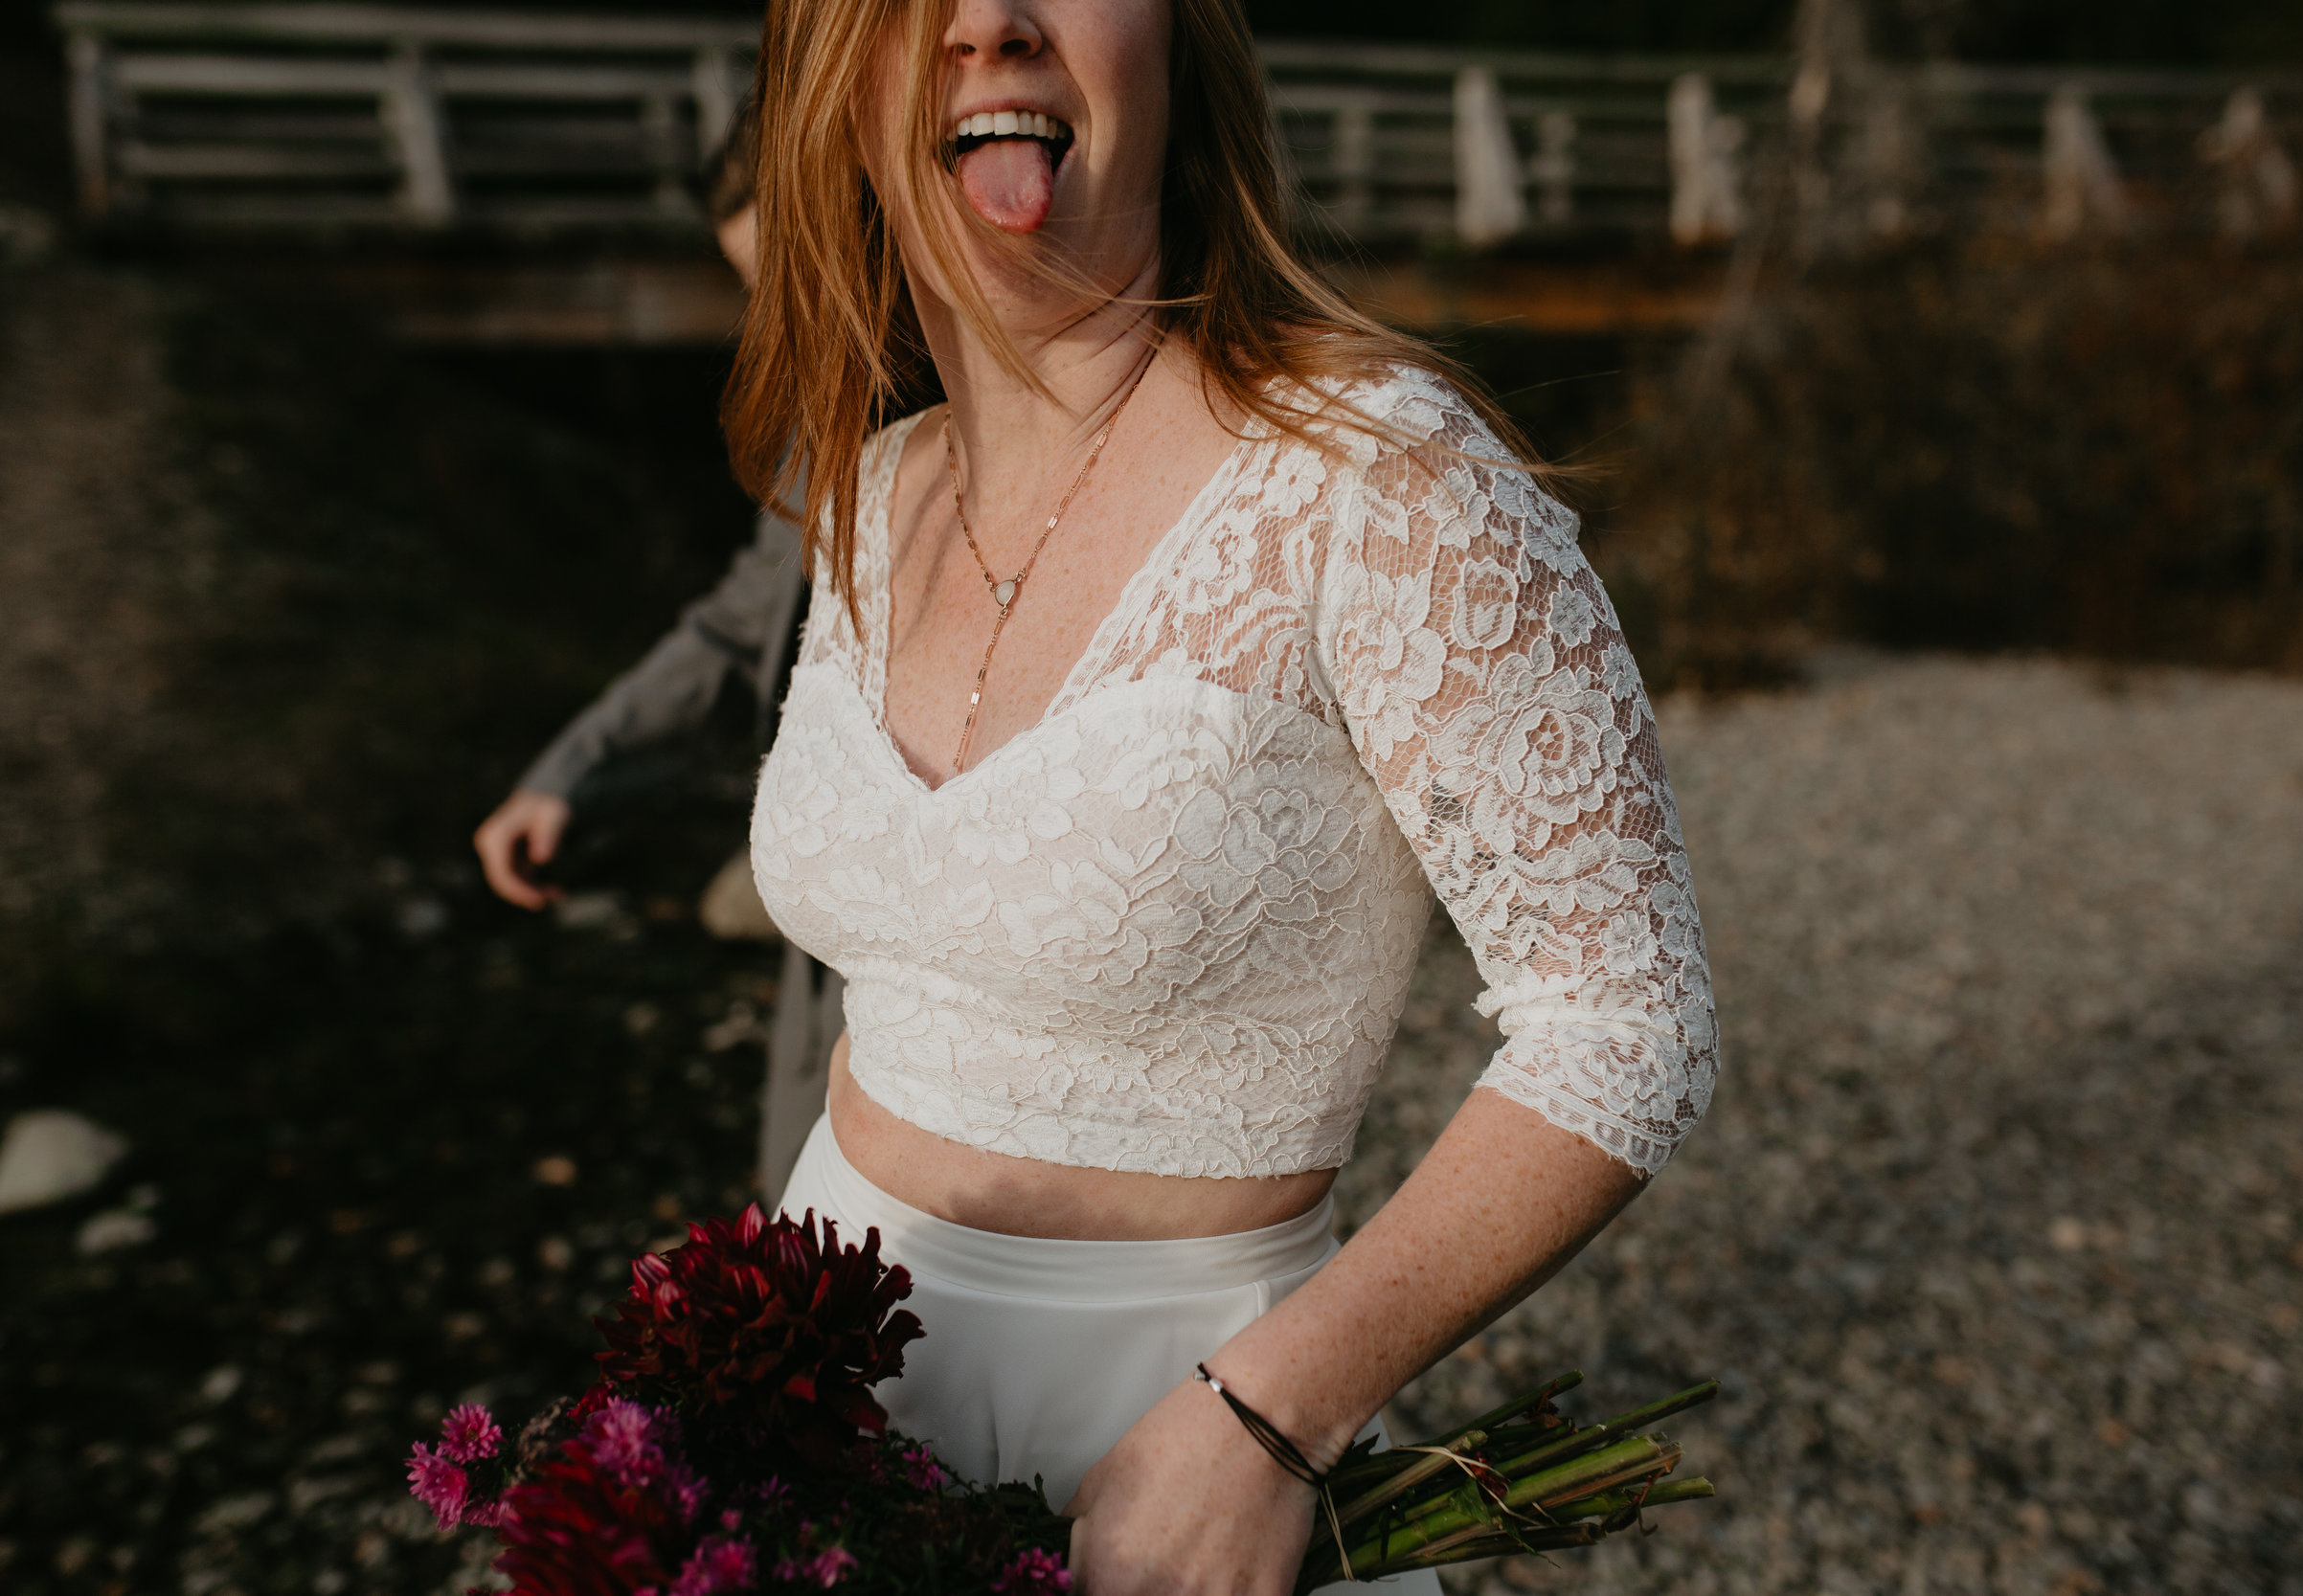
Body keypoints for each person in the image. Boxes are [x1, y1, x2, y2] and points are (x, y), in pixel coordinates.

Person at [735, 1, 1717, 1590]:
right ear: (839, 93)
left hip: (1184, 1439)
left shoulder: (1385, 481)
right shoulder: (868, 487)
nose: (988, 21)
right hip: (820, 1388)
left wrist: (1273, 1415)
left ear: (1181, 51)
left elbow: (1628, 1023)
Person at [471, 105, 845, 1201]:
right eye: (766, 289)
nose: (793, 314)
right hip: (826, 959)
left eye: (811, 270)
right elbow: (742, 630)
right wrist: (571, 773)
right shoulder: (817, 423)